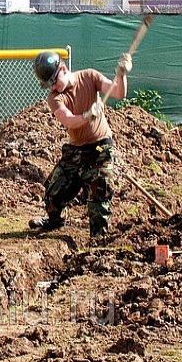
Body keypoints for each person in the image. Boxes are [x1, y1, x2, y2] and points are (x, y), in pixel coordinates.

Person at [29, 51, 132, 237]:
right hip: (76, 151)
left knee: (99, 192)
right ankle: (55, 221)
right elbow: (68, 121)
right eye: (49, 85)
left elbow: (118, 92)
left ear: (63, 69)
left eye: (54, 82)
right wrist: (87, 115)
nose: (53, 88)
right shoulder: (54, 98)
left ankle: (98, 240)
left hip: (100, 147)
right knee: (53, 192)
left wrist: (122, 74)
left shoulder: (89, 76)